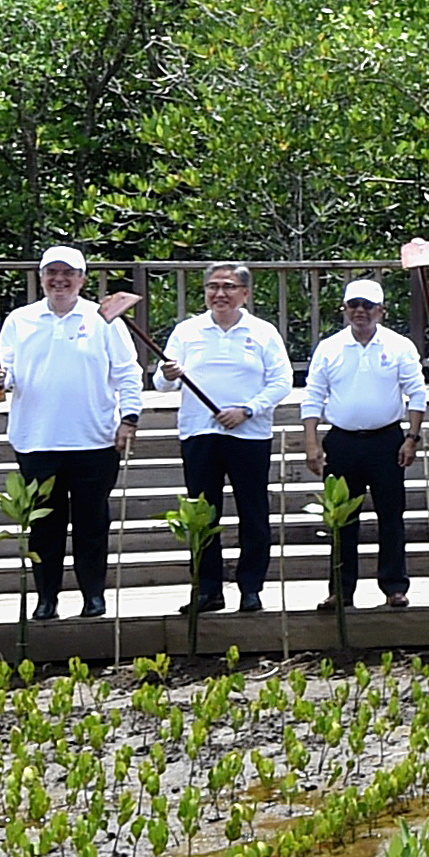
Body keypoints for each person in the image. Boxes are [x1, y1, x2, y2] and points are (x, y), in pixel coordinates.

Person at [0, 244, 142, 618]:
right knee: (45, 527)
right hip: (36, 439)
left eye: (68, 273)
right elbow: (6, 373)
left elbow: (127, 372)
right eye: (52, 273)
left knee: (92, 524)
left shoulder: (104, 319)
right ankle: (47, 599)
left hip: (94, 439)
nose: (59, 280)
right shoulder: (20, 319)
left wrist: (130, 419)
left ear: (82, 278)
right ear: (42, 277)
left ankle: (94, 595)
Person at [163, 262, 292, 615]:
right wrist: (168, 373)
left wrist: (247, 410)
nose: (220, 293)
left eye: (229, 286)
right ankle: (207, 589)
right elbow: (164, 384)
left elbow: (282, 381)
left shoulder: (263, 332)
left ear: (245, 293)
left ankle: (250, 587)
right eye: (213, 286)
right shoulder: (187, 331)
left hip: (248, 434)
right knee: (204, 514)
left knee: (253, 512)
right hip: (199, 432)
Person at [298, 277, 425, 608]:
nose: (360, 312)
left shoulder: (399, 346)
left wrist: (411, 437)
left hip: (386, 440)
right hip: (341, 442)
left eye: (367, 306)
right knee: (341, 519)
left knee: (391, 517)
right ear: (344, 310)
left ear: (380, 311)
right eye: (353, 305)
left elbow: (417, 393)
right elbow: (312, 396)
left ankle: (394, 586)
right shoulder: (329, 347)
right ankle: (340, 590)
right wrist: (312, 443)